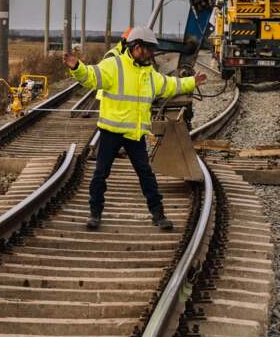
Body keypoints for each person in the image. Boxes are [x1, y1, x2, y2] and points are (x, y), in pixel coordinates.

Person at [63, 27, 207, 231]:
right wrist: (77, 67)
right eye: (149, 49)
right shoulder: (114, 65)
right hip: (111, 132)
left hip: (135, 134)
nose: (151, 54)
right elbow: (91, 76)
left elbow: (169, 85)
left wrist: (192, 81)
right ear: (137, 47)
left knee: (146, 174)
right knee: (100, 174)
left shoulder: (148, 73)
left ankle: (158, 215)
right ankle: (95, 214)